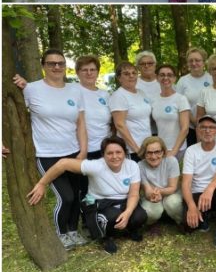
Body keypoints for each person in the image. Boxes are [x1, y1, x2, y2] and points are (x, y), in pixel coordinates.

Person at [18, 49, 90, 249]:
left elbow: (81, 123)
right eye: (51, 63)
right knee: (65, 196)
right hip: (47, 154)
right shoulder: (31, 89)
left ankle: (74, 231)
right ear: (43, 66)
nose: (56, 67)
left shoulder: (75, 90)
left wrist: (83, 151)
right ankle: (62, 234)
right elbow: (9, 112)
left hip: (74, 151)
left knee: (76, 195)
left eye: (60, 63)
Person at [28, 136, 145, 254]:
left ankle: (129, 229)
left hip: (122, 201)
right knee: (112, 216)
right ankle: (105, 237)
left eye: (118, 152)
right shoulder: (96, 166)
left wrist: (128, 212)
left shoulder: (132, 166)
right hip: (99, 201)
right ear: (103, 155)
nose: (114, 156)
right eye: (109, 153)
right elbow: (63, 164)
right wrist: (42, 183)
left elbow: (134, 194)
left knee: (140, 215)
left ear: (125, 153)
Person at [182, 115, 216, 248]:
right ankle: (205, 215)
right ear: (197, 130)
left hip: (214, 191)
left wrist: (209, 189)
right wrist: (191, 206)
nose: (207, 130)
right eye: (203, 127)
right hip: (197, 191)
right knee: (188, 227)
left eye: (211, 127)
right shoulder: (191, 151)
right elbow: (186, 182)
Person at [137, 136, 184, 228]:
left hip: (172, 193)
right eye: (149, 153)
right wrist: (152, 196)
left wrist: (158, 191)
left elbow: (172, 188)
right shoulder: (140, 165)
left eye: (157, 152)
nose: (153, 156)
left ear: (163, 152)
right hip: (153, 195)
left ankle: (181, 221)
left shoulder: (171, 161)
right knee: (151, 213)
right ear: (144, 153)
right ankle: (154, 223)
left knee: (173, 203)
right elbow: (147, 190)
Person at [72, 56, 113, 161]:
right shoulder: (71, 91)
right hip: (83, 151)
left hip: (106, 149)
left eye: (92, 70)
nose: (89, 73)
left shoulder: (105, 95)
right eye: (84, 70)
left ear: (97, 72)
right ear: (77, 72)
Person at [110, 62, 154, 158]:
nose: (131, 76)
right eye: (126, 74)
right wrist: (137, 149)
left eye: (134, 73)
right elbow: (120, 125)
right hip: (132, 149)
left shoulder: (141, 93)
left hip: (146, 145)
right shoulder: (119, 96)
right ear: (119, 78)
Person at [151, 64, 191, 159]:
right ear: (157, 78)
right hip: (160, 150)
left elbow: (185, 128)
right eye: (162, 75)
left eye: (169, 75)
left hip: (178, 150)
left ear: (174, 78)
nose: (166, 77)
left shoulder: (181, 99)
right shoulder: (154, 100)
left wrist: (174, 151)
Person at [176, 47, 211, 148]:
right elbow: (179, 104)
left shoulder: (211, 78)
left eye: (197, 60)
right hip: (190, 127)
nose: (194, 63)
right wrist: (195, 121)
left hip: (210, 126)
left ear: (204, 62)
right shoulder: (183, 81)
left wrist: (203, 123)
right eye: (191, 61)